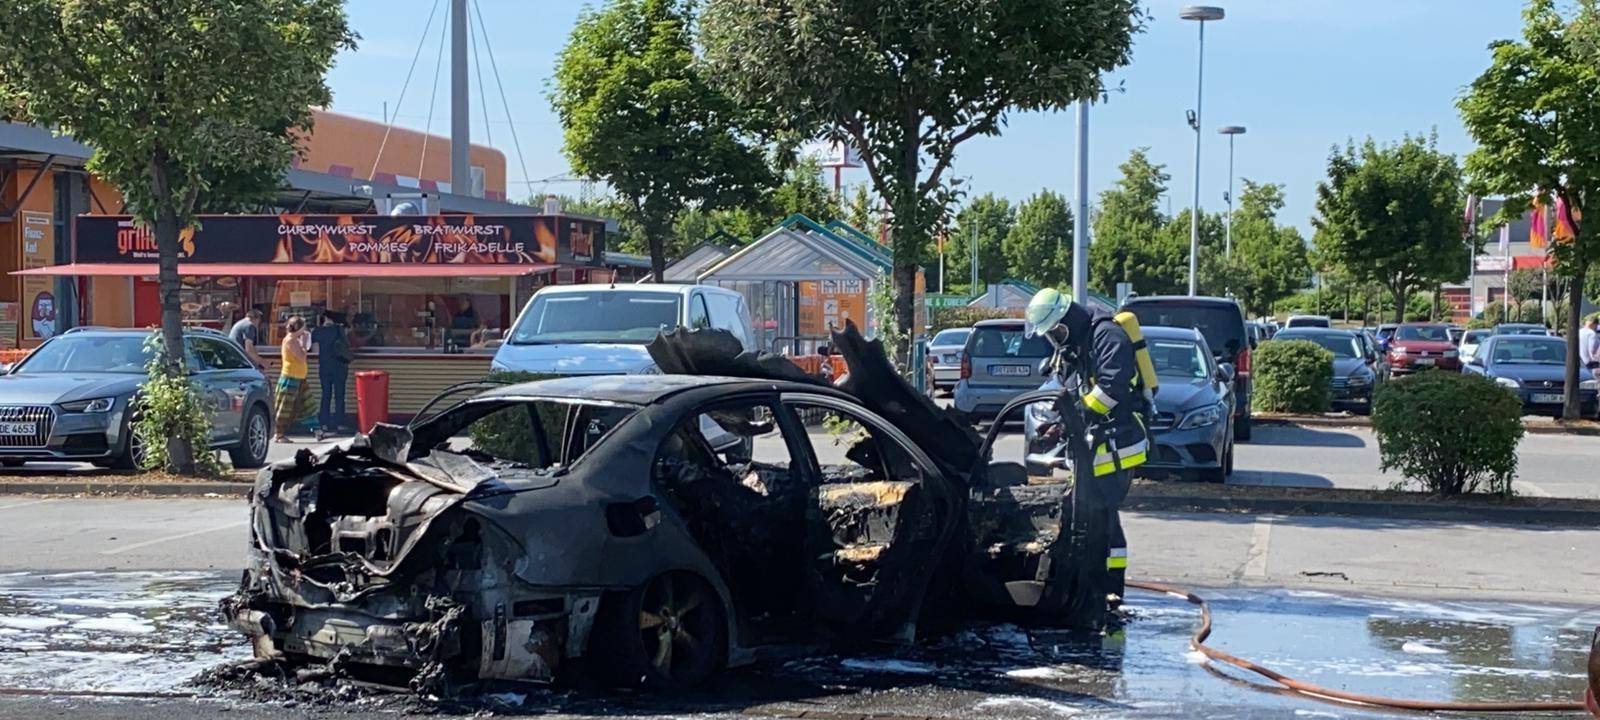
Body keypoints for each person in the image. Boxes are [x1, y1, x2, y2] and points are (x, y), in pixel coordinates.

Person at [1022, 288, 1150, 624]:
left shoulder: (1106, 335)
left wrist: (1077, 415)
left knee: (1103, 515)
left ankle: (1109, 588)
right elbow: (1070, 387)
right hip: (1095, 446)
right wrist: (1059, 425)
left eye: (1054, 330)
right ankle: (1096, 584)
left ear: (1065, 321)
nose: (1053, 337)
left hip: (1117, 445)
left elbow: (1112, 387)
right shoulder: (1075, 343)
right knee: (1094, 515)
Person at [311, 311, 353, 441]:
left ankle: (324, 423)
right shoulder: (339, 329)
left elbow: (314, 349)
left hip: (324, 366)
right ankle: (339, 423)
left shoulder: (316, 331)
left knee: (326, 395)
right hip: (339, 366)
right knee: (339, 395)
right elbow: (347, 345)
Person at [273, 316, 312, 443]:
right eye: (303, 327)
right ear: (299, 328)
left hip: (299, 376)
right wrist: (305, 343)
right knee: (285, 406)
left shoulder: (294, 340)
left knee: (307, 403)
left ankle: (316, 429)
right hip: (290, 377)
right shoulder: (291, 340)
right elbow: (301, 357)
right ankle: (278, 433)